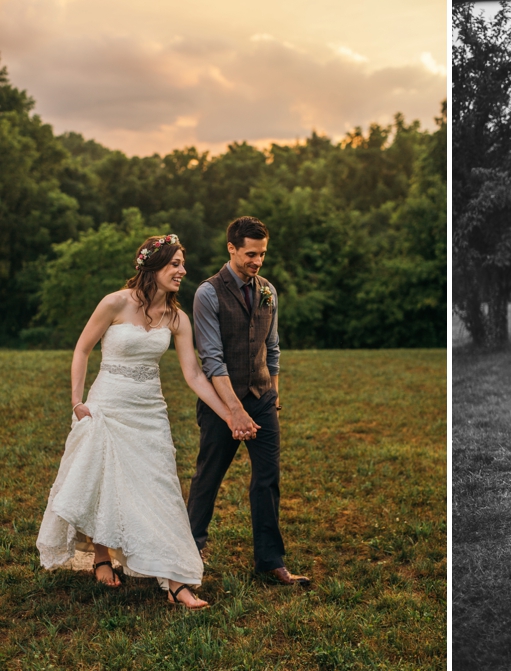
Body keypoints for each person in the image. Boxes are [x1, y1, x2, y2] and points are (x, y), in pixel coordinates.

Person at [37, 234, 243, 609]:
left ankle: (176, 582)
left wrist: (228, 412)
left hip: (150, 411)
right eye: (175, 264)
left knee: (161, 488)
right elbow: (83, 348)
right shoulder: (115, 302)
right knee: (104, 479)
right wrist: (76, 401)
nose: (182, 271)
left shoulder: (177, 319)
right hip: (108, 404)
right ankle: (102, 556)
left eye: (182, 264)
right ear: (152, 267)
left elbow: (194, 375)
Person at [187, 216, 309, 586]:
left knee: (267, 479)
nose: (257, 261)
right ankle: (190, 550)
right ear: (231, 248)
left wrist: (273, 393)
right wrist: (233, 411)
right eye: (250, 254)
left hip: (261, 398)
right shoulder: (208, 294)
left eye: (262, 254)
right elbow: (211, 358)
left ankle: (270, 562)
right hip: (221, 403)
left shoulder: (268, 290)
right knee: (208, 477)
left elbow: (272, 348)